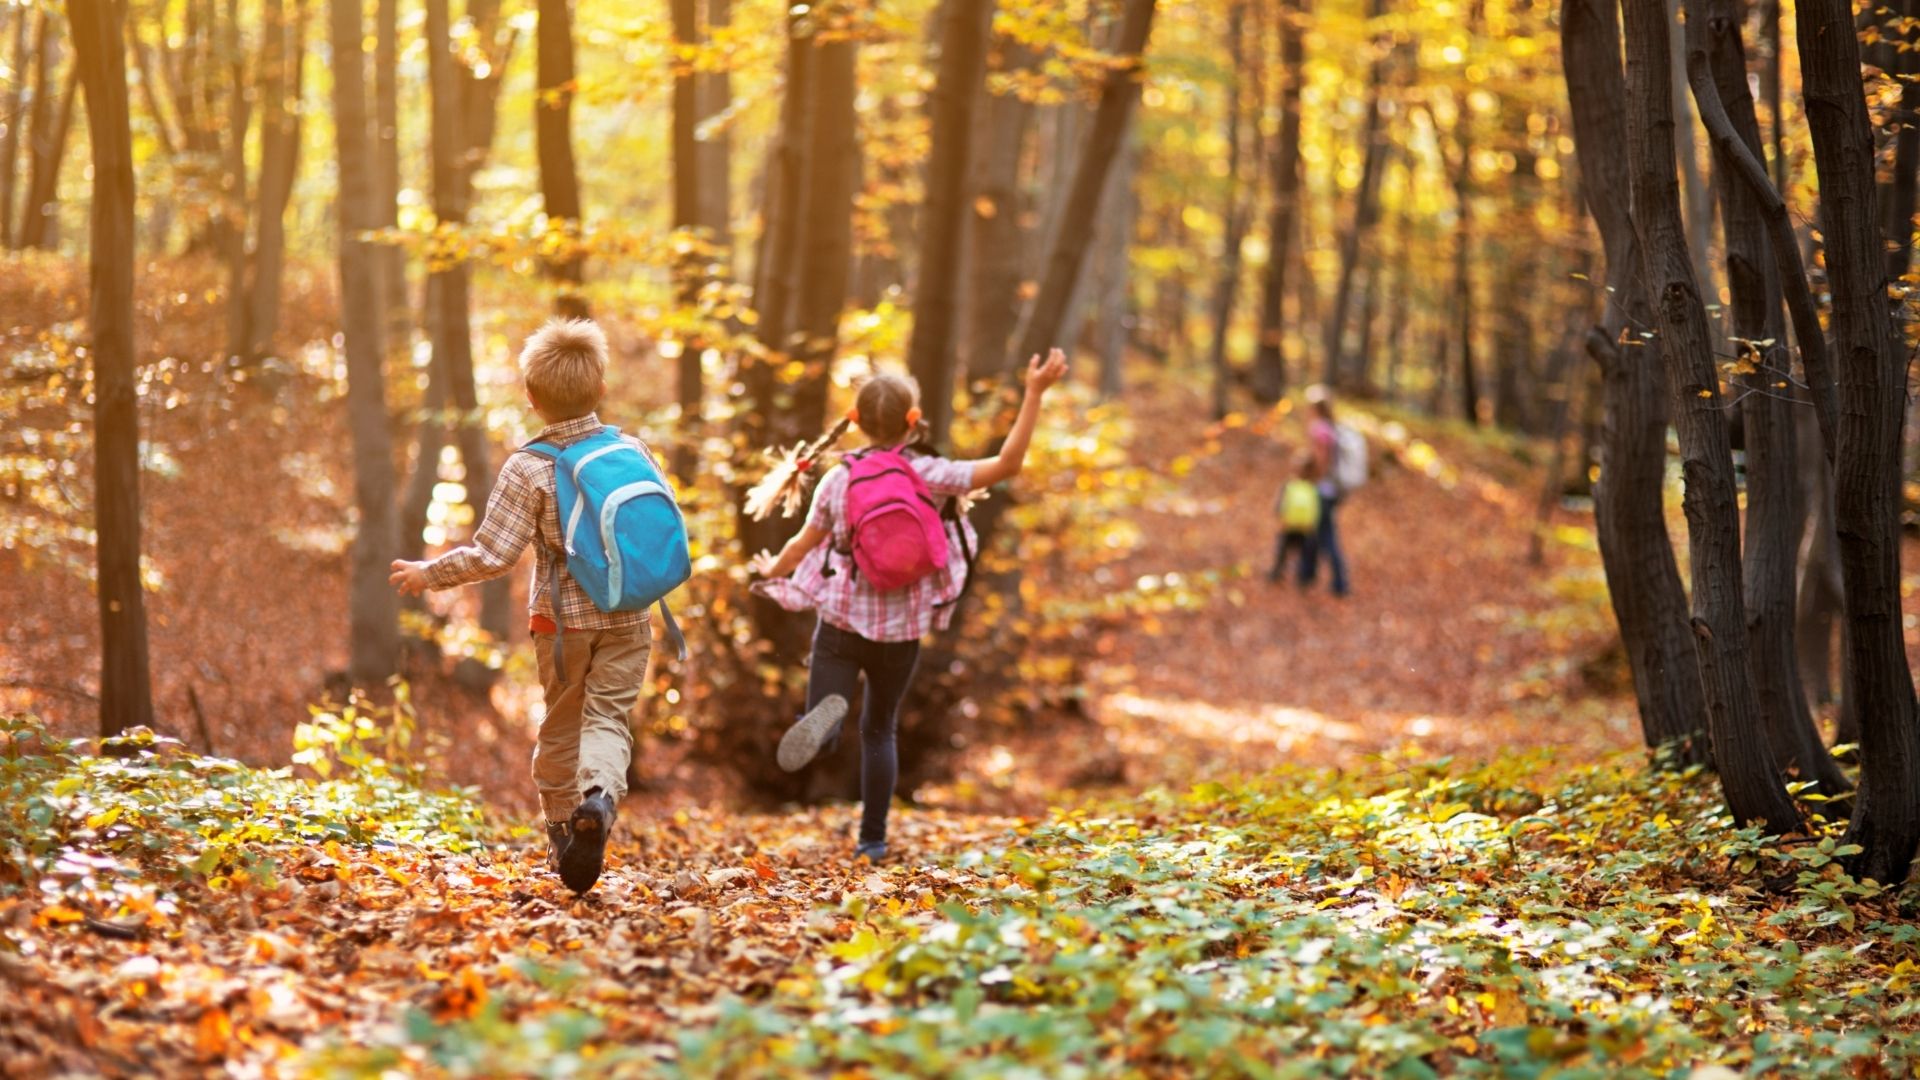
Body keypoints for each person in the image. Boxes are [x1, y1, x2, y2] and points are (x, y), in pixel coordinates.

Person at [748, 349, 1070, 862]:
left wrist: (771, 570)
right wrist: (1033, 392)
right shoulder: (929, 473)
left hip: (841, 624)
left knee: (829, 709)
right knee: (880, 730)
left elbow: (802, 544)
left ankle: (824, 725)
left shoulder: (839, 479)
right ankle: (872, 841)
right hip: (900, 633)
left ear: (855, 420)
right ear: (912, 420)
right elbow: (1007, 464)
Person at [389, 319, 656, 894]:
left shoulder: (527, 467)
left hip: (561, 625)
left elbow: (493, 555)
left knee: (561, 726)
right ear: (601, 387)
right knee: (607, 720)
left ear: (532, 397)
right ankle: (599, 798)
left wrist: (428, 574)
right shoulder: (632, 450)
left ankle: (563, 832)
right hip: (630, 617)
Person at [1301, 386, 1351, 597]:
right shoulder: (1331, 427)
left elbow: (1322, 459)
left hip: (1323, 488)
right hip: (1331, 488)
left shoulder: (1319, 429)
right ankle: (1306, 574)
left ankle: (1340, 583)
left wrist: (1312, 478)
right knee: (1314, 531)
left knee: (1327, 535)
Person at [1269, 452, 1321, 585]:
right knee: (1298, 552)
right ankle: (1299, 578)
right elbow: (1315, 507)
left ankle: (1279, 574)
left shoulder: (1290, 485)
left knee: (1284, 550)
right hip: (1302, 526)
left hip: (1291, 525)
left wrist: (1280, 515)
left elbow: (1280, 504)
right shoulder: (1312, 487)